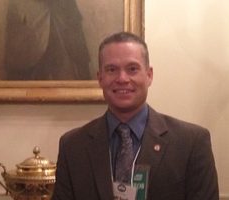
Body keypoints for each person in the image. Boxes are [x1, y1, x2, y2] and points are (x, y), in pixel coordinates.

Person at [51, 32, 219, 200]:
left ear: (149, 75)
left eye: (132, 69)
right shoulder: (72, 146)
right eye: (111, 70)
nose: (122, 78)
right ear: (100, 78)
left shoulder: (191, 143)